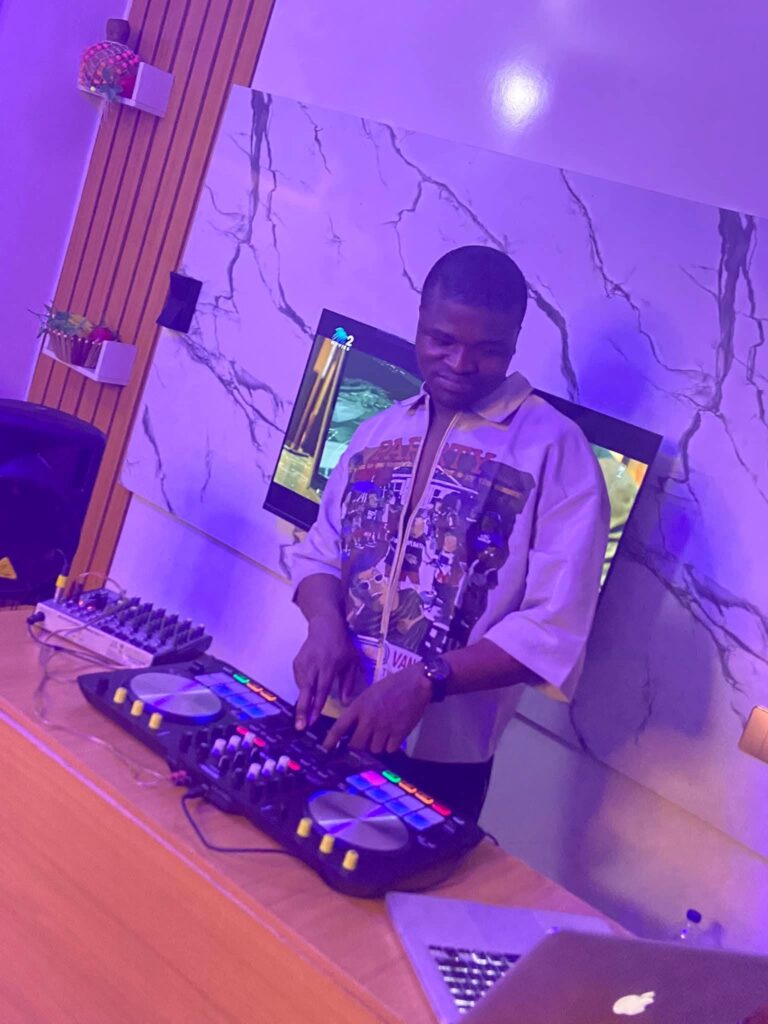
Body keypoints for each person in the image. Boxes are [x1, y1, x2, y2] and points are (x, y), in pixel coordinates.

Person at [289, 245, 609, 820]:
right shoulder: (377, 431)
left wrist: (424, 682)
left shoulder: (556, 451)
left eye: (488, 350)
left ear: (514, 343)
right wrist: (323, 625)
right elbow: (320, 553)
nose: (460, 364)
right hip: (329, 717)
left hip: (439, 765)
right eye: (442, 341)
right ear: (419, 322)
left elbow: (552, 628)